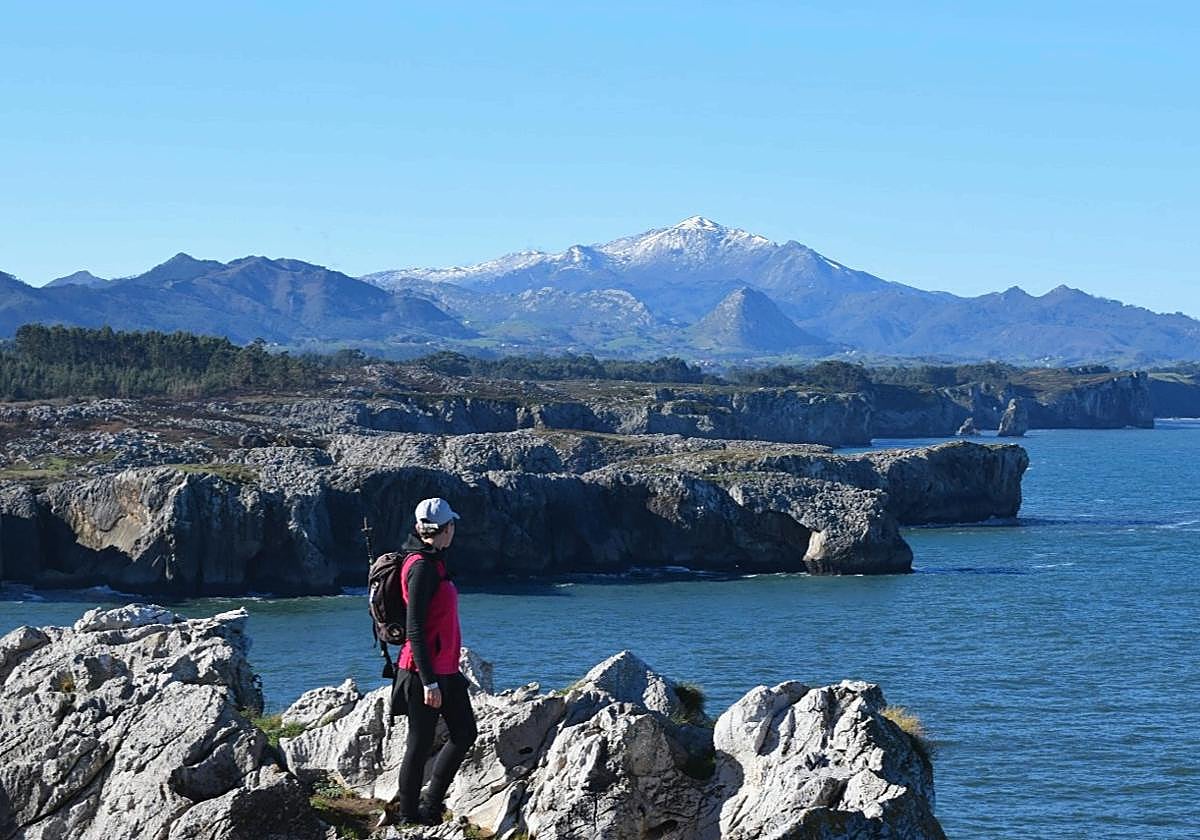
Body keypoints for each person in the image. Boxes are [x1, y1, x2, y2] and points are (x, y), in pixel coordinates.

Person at [381, 497, 478, 828]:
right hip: (423, 672)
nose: (455, 531)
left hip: (446, 669)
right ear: (446, 529)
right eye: (453, 525)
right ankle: (409, 817)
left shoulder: (434, 561)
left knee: (465, 732)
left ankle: (431, 804)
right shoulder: (421, 567)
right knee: (419, 746)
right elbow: (415, 629)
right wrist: (428, 682)